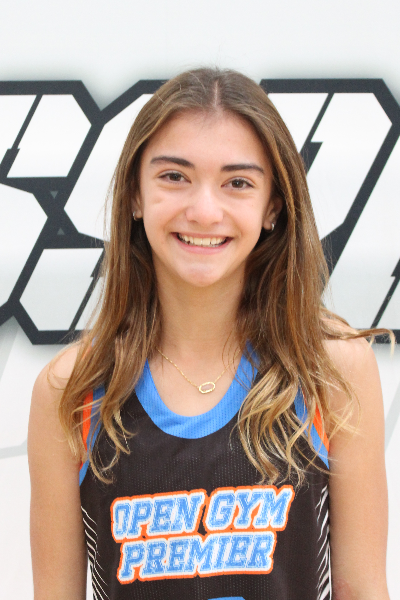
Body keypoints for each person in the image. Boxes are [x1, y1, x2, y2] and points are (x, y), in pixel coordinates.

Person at [28, 67, 391, 600]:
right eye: (174, 176)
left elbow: (364, 589)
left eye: (237, 182)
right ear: (134, 196)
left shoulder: (331, 369)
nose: (203, 211)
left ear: (272, 206)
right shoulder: (72, 390)